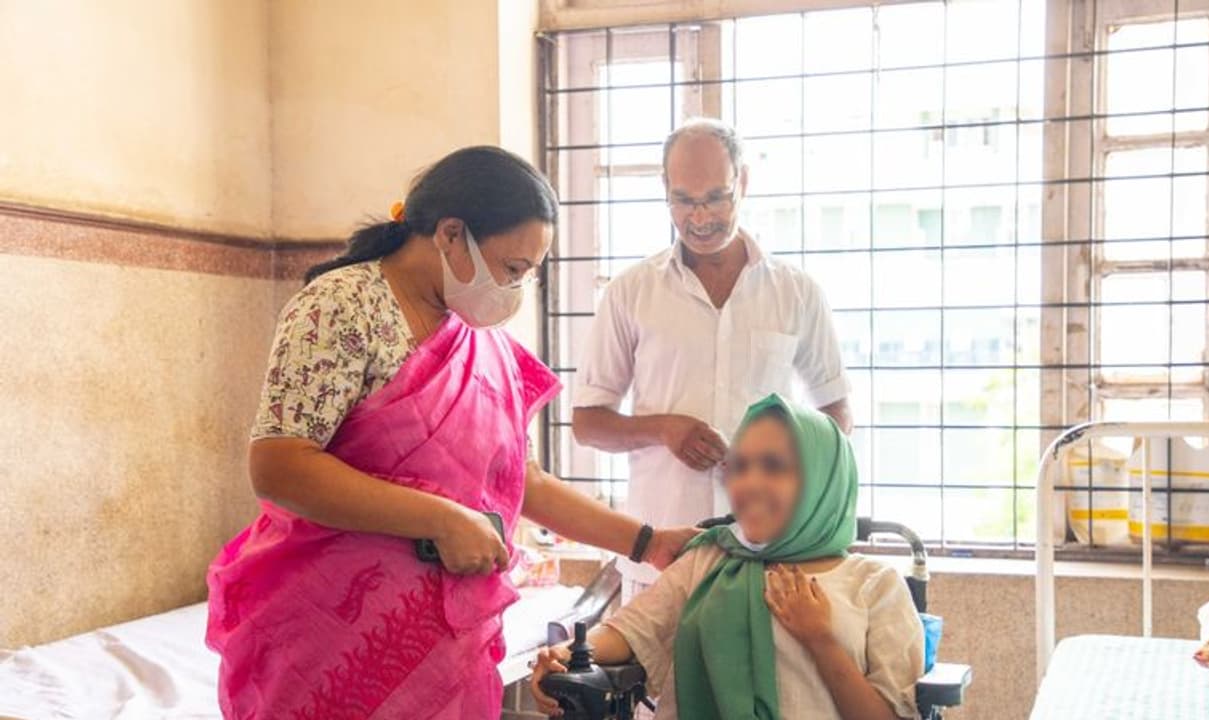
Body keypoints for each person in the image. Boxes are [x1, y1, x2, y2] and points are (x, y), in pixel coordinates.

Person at [205, 146, 697, 720]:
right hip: (331, 641)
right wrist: (441, 518)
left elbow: (521, 481)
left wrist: (648, 542)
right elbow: (281, 464)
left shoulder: (480, 341)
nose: (516, 289)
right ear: (451, 234)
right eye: (512, 269)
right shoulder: (342, 308)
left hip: (444, 646)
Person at [572, 118, 853, 600]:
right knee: (659, 679)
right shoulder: (631, 293)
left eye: (716, 197)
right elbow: (587, 424)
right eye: (683, 200)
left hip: (768, 558)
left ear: (743, 182)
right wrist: (662, 429)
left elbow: (837, 415)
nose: (700, 218)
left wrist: (782, 464)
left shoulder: (796, 293)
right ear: (665, 189)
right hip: (660, 559)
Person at [532, 394, 923, 720]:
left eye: (773, 466)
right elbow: (632, 630)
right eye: (740, 467)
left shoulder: (875, 584)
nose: (749, 483)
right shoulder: (710, 560)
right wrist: (564, 655)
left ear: (822, 480)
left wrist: (820, 638)